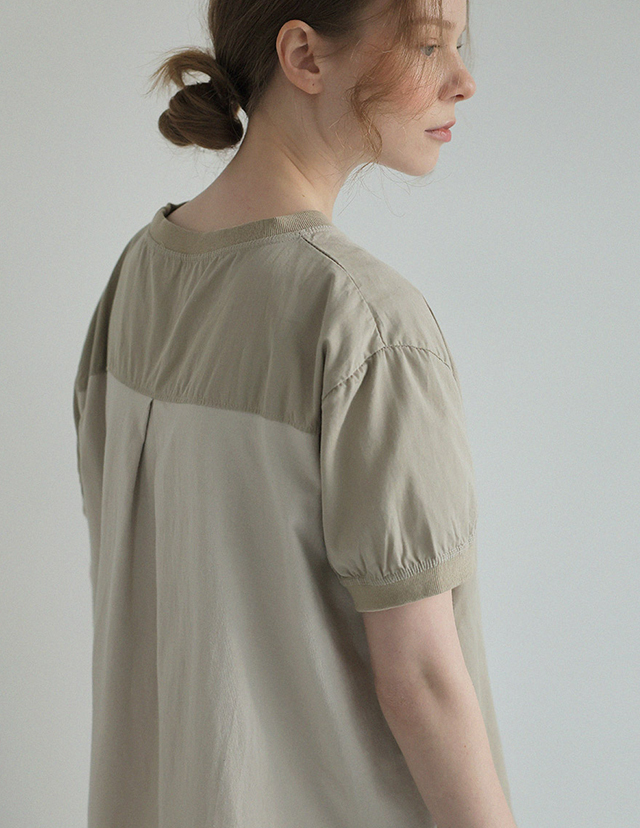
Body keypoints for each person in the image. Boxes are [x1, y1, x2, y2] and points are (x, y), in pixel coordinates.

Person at [72, 0, 518, 825]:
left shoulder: (137, 276)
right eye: (429, 46)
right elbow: (421, 679)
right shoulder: (367, 324)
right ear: (305, 56)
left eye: (460, 45)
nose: (464, 80)